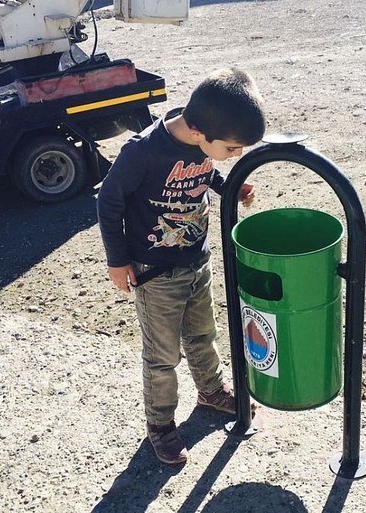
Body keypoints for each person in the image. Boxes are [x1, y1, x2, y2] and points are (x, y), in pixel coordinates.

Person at [97, 68, 265, 464]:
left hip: (196, 260)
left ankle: (210, 390)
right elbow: (108, 201)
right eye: (232, 149)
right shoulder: (142, 152)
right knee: (162, 356)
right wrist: (117, 260)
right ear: (198, 133)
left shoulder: (203, 140)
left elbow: (206, 171)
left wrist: (230, 185)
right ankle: (160, 425)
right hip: (155, 273)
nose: (235, 155)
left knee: (203, 334)